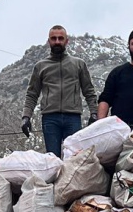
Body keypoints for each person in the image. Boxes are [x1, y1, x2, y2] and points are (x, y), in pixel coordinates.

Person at [21, 25, 98, 157]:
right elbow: (32, 94)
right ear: (48, 41)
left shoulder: (79, 64)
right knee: (52, 160)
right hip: (50, 119)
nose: (57, 41)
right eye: (54, 38)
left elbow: (89, 91)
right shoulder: (40, 66)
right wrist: (26, 117)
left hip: (73, 118)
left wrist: (94, 113)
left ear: (67, 41)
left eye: (60, 38)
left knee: (74, 158)